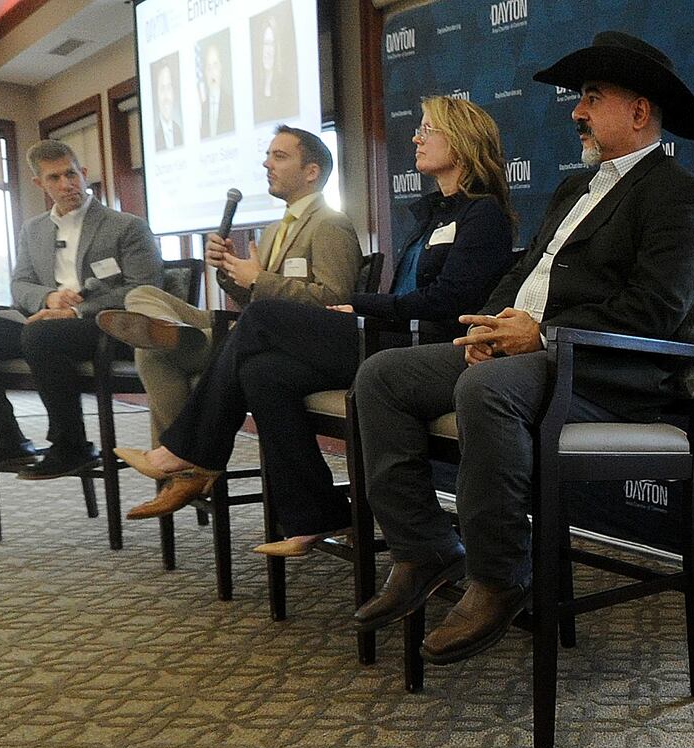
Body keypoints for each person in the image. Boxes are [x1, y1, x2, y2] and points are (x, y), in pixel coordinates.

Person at [349, 31, 694, 666]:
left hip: (605, 370)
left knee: (483, 390)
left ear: (637, 111)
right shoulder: (573, 190)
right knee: (381, 378)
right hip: (528, 355)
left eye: (591, 98)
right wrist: (489, 327)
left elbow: (656, 310)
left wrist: (541, 335)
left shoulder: (678, 194)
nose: (576, 110)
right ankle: (425, 547)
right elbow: (522, 280)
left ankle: (498, 576)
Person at [119, 98, 516, 559]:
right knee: (263, 372)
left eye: (428, 130)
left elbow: (452, 303)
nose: (415, 138)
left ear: (462, 142)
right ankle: (316, 513)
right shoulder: (434, 215)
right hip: (386, 336)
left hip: (419, 351)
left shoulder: (481, 215)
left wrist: (360, 303)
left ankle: (191, 450)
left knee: (262, 318)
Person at [102, 126, 360, 447]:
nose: (267, 165)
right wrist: (230, 269)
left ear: (311, 172)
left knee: (151, 354)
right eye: (267, 157)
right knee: (141, 294)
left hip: (279, 343)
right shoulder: (274, 229)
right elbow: (254, 299)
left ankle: (181, 464)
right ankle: (177, 333)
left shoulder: (330, 224)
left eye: (279, 156)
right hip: (245, 329)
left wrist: (256, 277)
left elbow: (336, 301)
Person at [0, 140, 162, 479]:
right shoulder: (33, 229)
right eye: (54, 178)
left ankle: (72, 446)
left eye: (71, 174)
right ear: (40, 184)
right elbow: (20, 285)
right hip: (44, 324)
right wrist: (48, 298)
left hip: (102, 325)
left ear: (83, 173)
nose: (66, 184)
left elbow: (145, 288)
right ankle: (9, 439)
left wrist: (76, 310)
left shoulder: (126, 226)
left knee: (42, 335)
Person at [198, 35, 234, 140]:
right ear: (205, 72)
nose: (212, 72)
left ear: (221, 68)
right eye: (208, 67)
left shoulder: (230, 102)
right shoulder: (203, 108)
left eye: (215, 65)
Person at [153, 57, 183, 152]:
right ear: (156, 94)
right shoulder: (153, 136)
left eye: (169, 87)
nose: (166, 97)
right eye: (162, 88)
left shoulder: (179, 130)